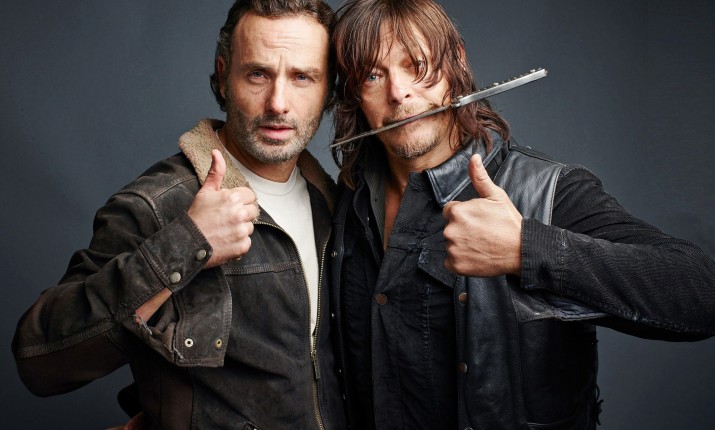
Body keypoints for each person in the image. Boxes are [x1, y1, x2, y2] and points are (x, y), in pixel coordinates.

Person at [328, 0, 715, 429]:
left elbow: (702, 294)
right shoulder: (349, 202)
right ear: (354, 95)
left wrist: (525, 248)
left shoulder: (545, 193)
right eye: (372, 75)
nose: (398, 93)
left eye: (416, 65)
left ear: (456, 61)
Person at [12, 1, 347, 429]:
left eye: (302, 77)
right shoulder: (159, 204)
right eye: (257, 74)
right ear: (223, 76)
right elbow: (40, 363)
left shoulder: (337, 206)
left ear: (329, 89)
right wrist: (187, 242)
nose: (278, 103)